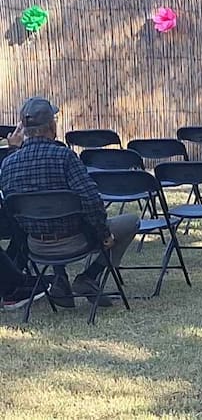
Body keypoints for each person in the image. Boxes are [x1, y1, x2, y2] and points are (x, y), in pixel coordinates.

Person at [0, 97, 139, 308]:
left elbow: (12, 211)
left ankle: (60, 280)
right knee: (131, 221)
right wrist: (103, 235)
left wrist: (13, 150)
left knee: (49, 213)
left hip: (35, 245)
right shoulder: (65, 157)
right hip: (75, 241)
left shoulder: (9, 164)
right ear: (52, 126)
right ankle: (89, 276)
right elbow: (91, 200)